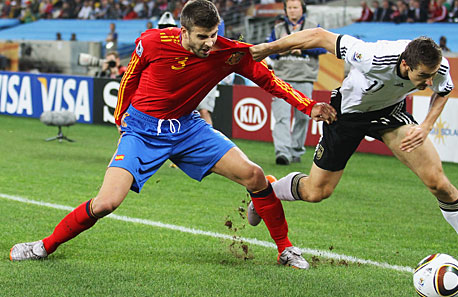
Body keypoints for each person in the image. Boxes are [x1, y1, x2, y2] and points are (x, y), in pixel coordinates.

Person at [9, 0, 337, 270]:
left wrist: (309, 106)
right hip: (142, 131)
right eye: (202, 36)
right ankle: (44, 246)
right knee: (107, 202)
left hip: (188, 128)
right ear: (183, 31)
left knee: (253, 175)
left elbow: (269, 80)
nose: (209, 42)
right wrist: (122, 117)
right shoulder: (151, 42)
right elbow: (130, 77)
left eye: (213, 34)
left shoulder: (229, 52)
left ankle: (285, 249)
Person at [248, 29, 458, 265]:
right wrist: (266, 49)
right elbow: (318, 36)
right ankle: (268, 191)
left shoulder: (437, 66)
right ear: (406, 64)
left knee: (437, 182)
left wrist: (426, 126)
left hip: (390, 115)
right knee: (316, 192)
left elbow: (443, 90)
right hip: (347, 116)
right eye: (423, 77)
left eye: (432, 76)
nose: (428, 82)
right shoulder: (373, 56)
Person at [267, 0, 327, 165]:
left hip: (304, 77)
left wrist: (303, 47)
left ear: (302, 9)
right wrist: (283, 47)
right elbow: (270, 52)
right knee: (282, 117)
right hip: (281, 78)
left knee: (302, 117)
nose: (292, 11)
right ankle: (283, 153)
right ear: (285, 11)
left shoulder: (313, 27)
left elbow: (323, 48)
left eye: (295, 7)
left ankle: (295, 151)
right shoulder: (278, 29)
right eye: (289, 8)